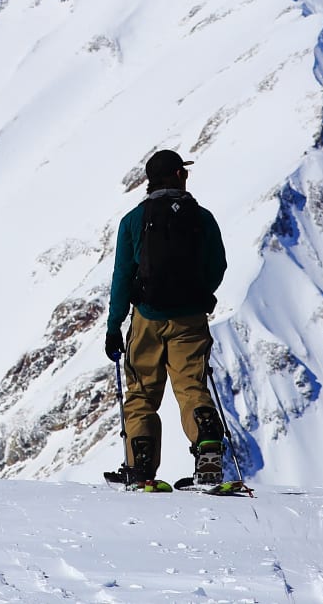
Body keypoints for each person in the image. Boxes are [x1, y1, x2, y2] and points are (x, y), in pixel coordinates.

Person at [104, 149, 229, 489]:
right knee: (191, 387)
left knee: (142, 392)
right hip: (190, 318)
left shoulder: (134, 220)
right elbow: (217, 265)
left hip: (146, 317)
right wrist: (200, 293)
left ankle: (140, 465)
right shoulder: (201, 218)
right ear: (177, 176)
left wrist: (114, 326)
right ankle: (207, 450)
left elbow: (121, 276)